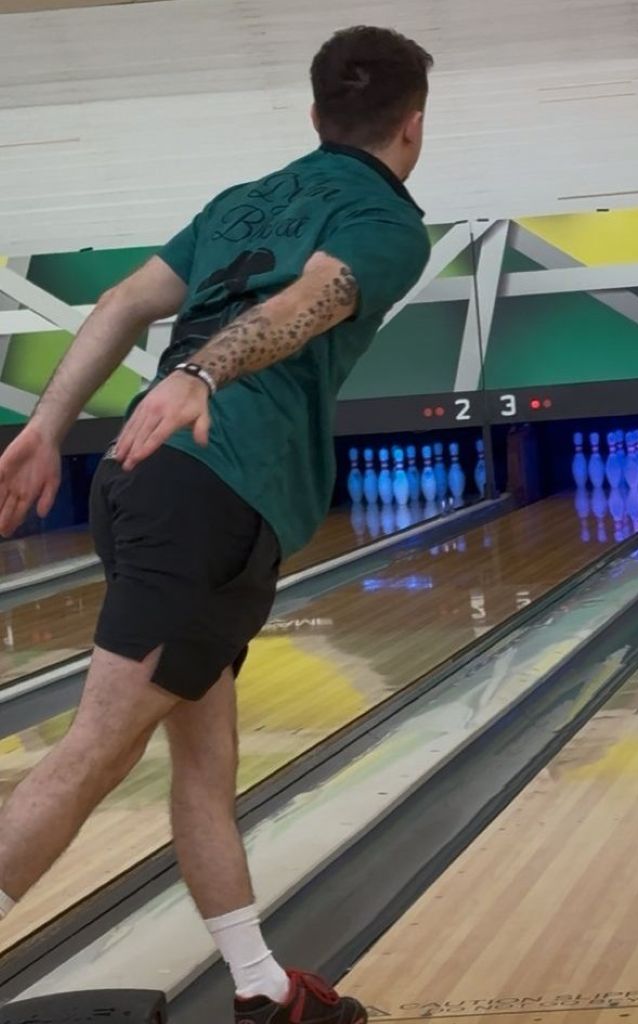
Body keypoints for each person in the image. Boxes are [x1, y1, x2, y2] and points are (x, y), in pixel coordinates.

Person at [0, 25, 433, 1024]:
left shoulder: (241, 201)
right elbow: (317, 299)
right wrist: (200, 372)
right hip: (214, 491)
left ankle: (261, 987)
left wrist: (45, 427)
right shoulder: (385, 220)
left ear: (317, 114)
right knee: (97, 747)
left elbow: (120, 302)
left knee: (206, 754)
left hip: (143, 478)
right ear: (412, 127)